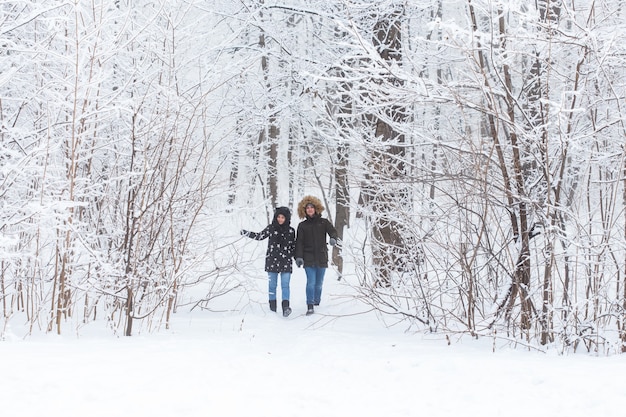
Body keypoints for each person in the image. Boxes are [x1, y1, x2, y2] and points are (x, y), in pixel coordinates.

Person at [241, 206, 295, 317]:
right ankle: (272, 309)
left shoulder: (291, 231)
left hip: (286, 260)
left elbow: (293, 247)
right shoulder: (271, 228)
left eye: (282, 217)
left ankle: (286, 307)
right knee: (272, 286)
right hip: (272, 260)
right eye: (278, 217)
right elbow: (259, 236)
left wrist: (298, 257)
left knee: (285, 285)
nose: (280, 219)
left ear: (287, 218)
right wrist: (246, 233)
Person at [295, 196, 338, 315]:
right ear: (304, 210)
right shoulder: (302, 226)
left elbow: (333, 231)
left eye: (311, 207)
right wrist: (298, 257)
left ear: (316, 208)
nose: (309, 209)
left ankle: (316, 302)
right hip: (308, 257)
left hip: (321, 256)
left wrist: (333, 238)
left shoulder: (323, 222)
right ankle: (310, 305)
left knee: (319, 283)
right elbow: (299, 242)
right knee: (311, 282)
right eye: (307, 208)